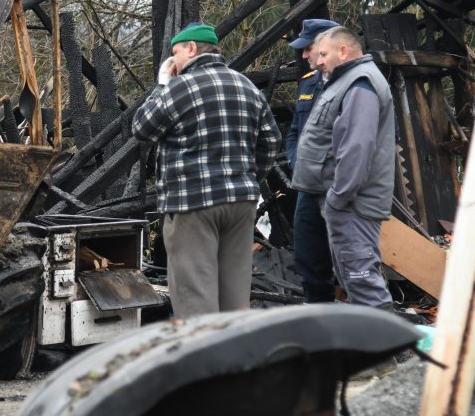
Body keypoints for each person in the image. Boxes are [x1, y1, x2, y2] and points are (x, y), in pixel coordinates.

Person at [133, 23, 281, 317]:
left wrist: (162, 83)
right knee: (234, 294)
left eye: (175, 54)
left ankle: (204, 361)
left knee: (195, 295)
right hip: (240, 203)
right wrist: (249, 179)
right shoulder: (246, 85)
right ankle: (235, 360)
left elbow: (142, 128)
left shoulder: (179, 88)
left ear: (190, 49)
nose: (173, 62)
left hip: (192, 203)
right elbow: (272, 141)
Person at [291, 26, 394, 308]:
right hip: (344, 201)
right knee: (353, 279)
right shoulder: (344, 81)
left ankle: (384, 350)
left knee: (362, 281)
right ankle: (371, 349)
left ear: (344, 51)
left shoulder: (360, 82)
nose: (318, 59)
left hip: (351, 204)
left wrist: (339, 197)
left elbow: (356, 147)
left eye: (323, 53)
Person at [286, 19, 340, 303]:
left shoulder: (356, 83)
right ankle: (318, 314)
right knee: (308, 253)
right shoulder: (307, 84)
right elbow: (294, 133)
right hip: (309, 185)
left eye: (308, 48)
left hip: (340, 185)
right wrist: (299, 163)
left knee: (351, 257)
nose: (304, 55)